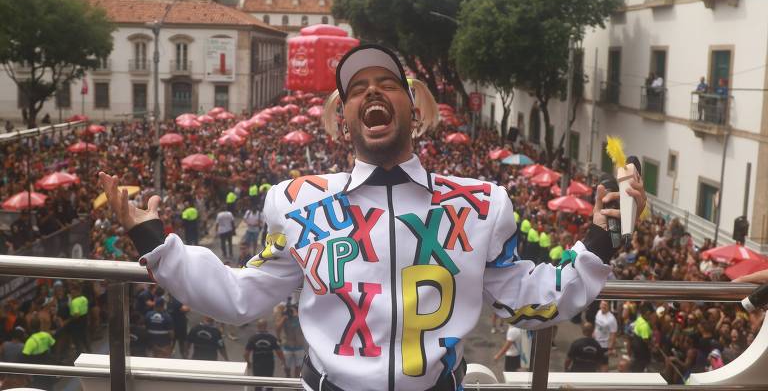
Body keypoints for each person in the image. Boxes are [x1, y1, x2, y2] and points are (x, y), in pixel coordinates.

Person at [100, 43, 647, 390]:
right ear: (344, 121)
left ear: (414, 108)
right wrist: (159, 244)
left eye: (386, 84)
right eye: (356, 90)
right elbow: (241, 296)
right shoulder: (295, 202)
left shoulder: (483, 202)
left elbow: (527, 299)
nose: (371, 93)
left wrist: (603, 235)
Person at [245, 319, 285, 391]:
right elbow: (279, 352)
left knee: (258, 383)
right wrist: (283, 360)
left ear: (257, 326)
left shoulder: (253, 338)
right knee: (269, 382)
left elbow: (246, 353)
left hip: (257, 364)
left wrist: (248, 362)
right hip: (269, 363)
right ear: (266, 326)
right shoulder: (272, 338)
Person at [275, 303, 304, 378]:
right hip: (287, 346)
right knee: (286, 366)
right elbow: (277, 328)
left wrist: (297, 315)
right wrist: (284, 317)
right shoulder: (285, 318)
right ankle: (288, 376)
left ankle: (295, 381)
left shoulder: (301, 318)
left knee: (298, 366)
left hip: (299, 346)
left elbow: (308, 326)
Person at [629, 304, 654, 372]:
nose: (652, 316)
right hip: (641, 348)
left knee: (637, 361)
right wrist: (652, 345)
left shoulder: (639, 319)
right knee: (641, 364)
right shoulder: (644, 326)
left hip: (635, 344)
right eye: (651, 314)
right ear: (647, 313)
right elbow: (646, 340)